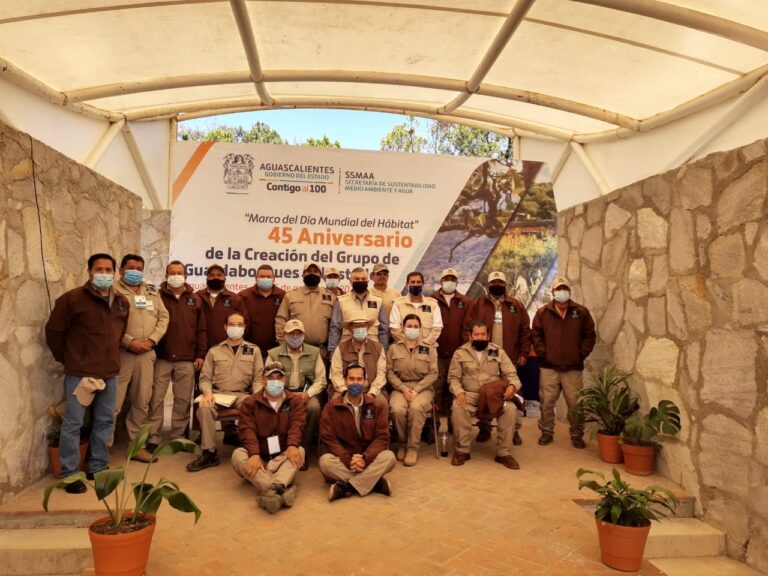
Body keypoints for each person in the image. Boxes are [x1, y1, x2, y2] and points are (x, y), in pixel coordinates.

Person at [44, 253, 129, 493]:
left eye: (108, 269)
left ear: (114, 272)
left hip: (109, 373)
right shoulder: (72, 299)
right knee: (73, 423)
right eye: (98, 269)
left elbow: (119, 333)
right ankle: (69, 474)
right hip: (80, 373)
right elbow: (54, 332)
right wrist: (70, 359)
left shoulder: (121, 301)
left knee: (105, 420)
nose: (104, 274)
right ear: (89, 271)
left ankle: (97, 466)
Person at [187, 312, 264, 472]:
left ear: (244, 327)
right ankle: (209, 453)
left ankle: (257, 449)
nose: (235, 327)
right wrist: (208, 394)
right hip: (218, 394)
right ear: (225, 327)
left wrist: (256, 396)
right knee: (205, 408)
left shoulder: (253, 350)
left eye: (239, 324)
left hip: (243, 395)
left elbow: (258, 378)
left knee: (260, 406)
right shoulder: (214, 351)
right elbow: (205, 378)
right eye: (232, 324)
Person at [112, 253, 169, 462]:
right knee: (113, 404)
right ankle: (102, 449)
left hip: (146, 354)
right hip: (122, 354)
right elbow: (109, 322)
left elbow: (163, 317)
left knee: (141, 402)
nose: (135, 272)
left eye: (139, 269)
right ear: (121, 270)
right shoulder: (113, 290)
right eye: (130, 268)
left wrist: (152, 340)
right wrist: (129, 342)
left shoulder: (151, 291)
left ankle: (136, 447)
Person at [231, 361, 307, 514]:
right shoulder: (250, 403)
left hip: (282, 456)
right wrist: (254, 454)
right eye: (270, 378)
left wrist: (292, 445)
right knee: (238, 455)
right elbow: (247, 430)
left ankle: (271, 491)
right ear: (263, 381)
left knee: (300, 451)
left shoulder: (295, 401)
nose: (275, 382)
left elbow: (297, 425)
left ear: (284, 380)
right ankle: (280, 489)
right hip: (260, 457)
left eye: (279, 378)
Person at [147, 261, 207, 450]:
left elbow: (201, 330)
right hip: (161, 357)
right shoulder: (156, 296)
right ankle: (153, 437)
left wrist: (200, 355)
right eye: (172, 273)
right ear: (166, 276)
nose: (175, 276)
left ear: (186, 276)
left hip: (186, 359)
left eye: (179, 272)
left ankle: (178, 437)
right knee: (156, 399)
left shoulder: (195, 299)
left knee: (182, 400)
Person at [467, 271, 531, 446]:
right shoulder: (478, 304)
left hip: (509, 358)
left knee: (512, 393)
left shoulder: (516, 305)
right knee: (484, 391)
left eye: (500, 282)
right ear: (488, 284)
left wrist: (524, 353)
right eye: (494, 282)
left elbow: (526, 331)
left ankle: (514, 430)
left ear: (505, 284)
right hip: (483, 358)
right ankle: (484, 427)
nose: (497, 284)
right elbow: (468, 328)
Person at [532, 277, 596, 449]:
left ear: (569, 291)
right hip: (549, 367)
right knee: (546, 402)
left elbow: (589, 335)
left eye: (565, 288)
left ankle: (577, 434)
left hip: (573, 367)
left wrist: (580, 355)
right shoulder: (542, 313)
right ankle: (547, 432)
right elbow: (536, 335)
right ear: (553, 292)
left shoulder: (581, 312)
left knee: (575, 404)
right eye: (559, 289)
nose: (562, 292)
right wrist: (544, 354)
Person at [448, 320, 522, 470]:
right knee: (458, 406)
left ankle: (504, 453)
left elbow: (512, 375)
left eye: (483, 334)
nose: (480, 337)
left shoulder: (498, 351)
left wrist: (512, 386)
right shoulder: (460, 353)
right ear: (470, 336)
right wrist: (459, 392)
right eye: (477, 334)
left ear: (488, 335)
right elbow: (453, 378)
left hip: (493, 396)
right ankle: (462, 450)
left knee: (510, 409)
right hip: (470, 395)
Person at [319, 363, 395, 501]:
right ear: (345, 381)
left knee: (389, 457)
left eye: (359, 379)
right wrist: (349, 460)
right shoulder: (332, 407)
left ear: (365, 382)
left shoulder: (376, 405)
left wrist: (365, 459)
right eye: (351, 379)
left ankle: (347, 487)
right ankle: (374, 482)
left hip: (369, 458)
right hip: (344, 459)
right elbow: (328, 438)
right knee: (325, 462)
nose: (355, 383)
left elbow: (382, 437)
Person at [267, 319, 326, 465]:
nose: (295, 337)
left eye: (298, 333)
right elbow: (268, 378)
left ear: (304, 335)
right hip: (281, 393)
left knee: (314, 408)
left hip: (305, 393)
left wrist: (307, 394)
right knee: (269, 409)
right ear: (284, 335)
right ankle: (275, 452)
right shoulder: (273, 354)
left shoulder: (314, 352)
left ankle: (302, 449)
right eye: (291, 333)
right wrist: (283, 394)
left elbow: (321, 380)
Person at [387, 314, 438, 466]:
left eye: (416, 326)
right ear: (403, 328)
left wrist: (416, 389)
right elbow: (389, 372)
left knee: (416, 408)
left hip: (423, 388)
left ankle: (412, 448)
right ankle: (402, 444)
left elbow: (433, 373)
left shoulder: (429, 348)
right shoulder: (393, 348)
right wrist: (403, 389)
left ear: (420, 329)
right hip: (400, 387)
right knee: (396, 409)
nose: (412, 329)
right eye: (409, 326)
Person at [275, 262, 335, 362]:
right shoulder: (291, 295)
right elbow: (281, 320)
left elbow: (334, 326)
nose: (312, 273)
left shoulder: (330, 297)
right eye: (309, 271)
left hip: (321, 352)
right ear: (303, 274)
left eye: (315, 271)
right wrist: (283, 344)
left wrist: (331, 349)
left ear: (321, 275)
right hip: (295, 350)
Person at [432, 268, 470, 413]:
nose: (449, 281)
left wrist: (463, 349)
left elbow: (467, 328)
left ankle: (453, 418)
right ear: (441, 281)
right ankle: (433, 420)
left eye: (453, 279)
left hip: (457, 352)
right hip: (436, 351)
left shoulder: (465, 301)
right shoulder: (431, 300)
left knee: (455, 384)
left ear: (457, 282)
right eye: (446, 279)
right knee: (436, 384)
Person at [328, 267, 388, 356]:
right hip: (347, 350)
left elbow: (383, 330)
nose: (360, 281)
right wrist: (332, 351)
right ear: (350, 281)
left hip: (372, 351)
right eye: (357, 279)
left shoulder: (378, 302)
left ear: (368, 281)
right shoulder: (341, 301)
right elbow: (335, 328)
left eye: (363, 279)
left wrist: (384, 351)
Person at [329, 314, 387, 406]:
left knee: (381, 403)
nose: (360, 329)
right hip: (346, 389)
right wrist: (345, 391)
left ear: (368, 327)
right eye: (356, 326)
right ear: (350, 329)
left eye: (363, 326)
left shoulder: (378, 348)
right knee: (336, 403)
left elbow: (381, 374)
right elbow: (335, 374)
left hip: (370, 389)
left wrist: (372, 392)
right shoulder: (340, 348)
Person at [195, 264, 248, 352]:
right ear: (207, 279)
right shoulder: (197, 297)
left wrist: (234, 344)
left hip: (227, 350)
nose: (215, 277)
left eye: (219, 275)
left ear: (225, 279)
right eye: (212, 275)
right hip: (200, 350)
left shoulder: (235, 299)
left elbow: (245, 323)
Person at [239, 264, 285, 359]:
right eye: (262, 276)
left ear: (274, 278)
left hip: (276, 349)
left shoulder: (283, 296)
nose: (265, 279)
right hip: (248, 348)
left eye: (268, 277)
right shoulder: (243, 296)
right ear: (256, 278)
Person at [389, 271, 442, 345]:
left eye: (418, 282)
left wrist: (425, 343)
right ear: (407, 285)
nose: (416, 284)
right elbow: (395, 328)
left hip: (426, 347)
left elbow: (437, 328)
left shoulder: (433, 304)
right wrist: (408, 344)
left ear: (423, 284)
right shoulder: (398, 304)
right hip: (403, 347)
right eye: (413, 282)